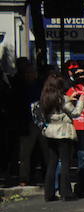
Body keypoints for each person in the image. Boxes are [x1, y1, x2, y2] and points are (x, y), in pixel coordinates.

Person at [40, 74, 84, 201]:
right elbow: (75, 113)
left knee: (52, 163)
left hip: (50, 132)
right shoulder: (63, 99)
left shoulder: (46, 98)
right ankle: (66, 192)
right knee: (65, 163)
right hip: (63, 132)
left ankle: (49, 193)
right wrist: (81, 101)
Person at [12, 57, 49, 185]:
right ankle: (24, 177)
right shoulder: (20, 87)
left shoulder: (40, 86)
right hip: (28, 122)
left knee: (46, 150)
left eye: (32, 73)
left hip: (41, 120)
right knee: (25, 152)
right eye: (27, 73)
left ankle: (49, 175)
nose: (30, 75)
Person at [65, 66, 84, 196]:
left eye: (83, 74)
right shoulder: (69, 89)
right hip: (73, 125)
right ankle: (63, 187)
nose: (81, 77)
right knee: (66, 157)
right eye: (78, 75)